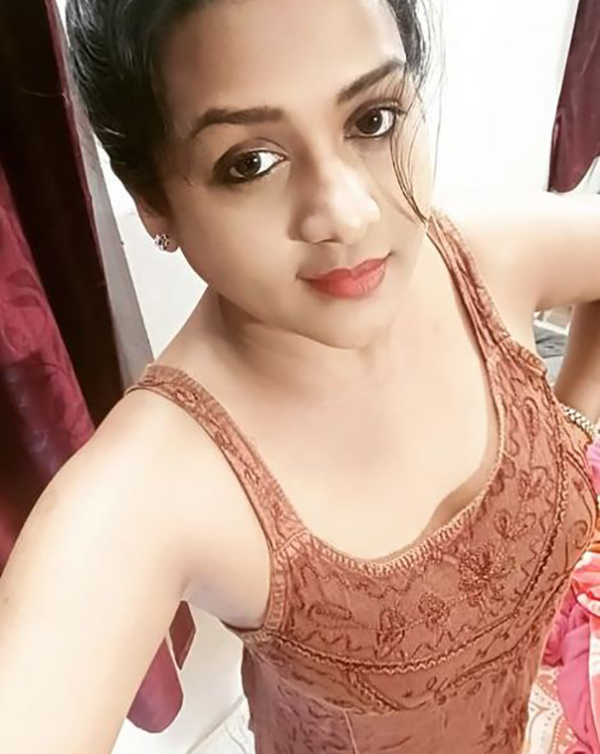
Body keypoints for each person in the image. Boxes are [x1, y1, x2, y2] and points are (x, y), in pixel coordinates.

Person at [0, 0, 599, 751]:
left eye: (373, 120)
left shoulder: (483, 262)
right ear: (153, 202)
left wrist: (574, 423)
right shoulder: (158, 482)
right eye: (249, 163)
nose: (347, 214)